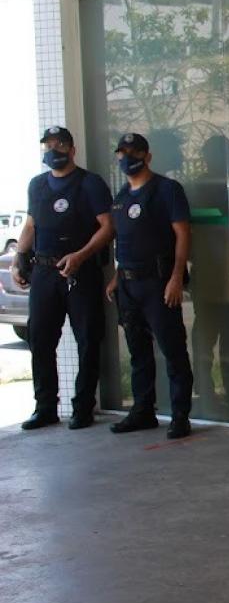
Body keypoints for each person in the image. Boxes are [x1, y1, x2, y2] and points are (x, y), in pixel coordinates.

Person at [11, 125, 114, 431]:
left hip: (80, 271)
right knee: (40, 339)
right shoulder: (38, 185)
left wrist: (81, 255)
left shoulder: (90, 184)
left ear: (72, 149)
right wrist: (19, 259)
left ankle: (83, 407)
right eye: (48, 146)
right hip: (44, 273)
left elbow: (108, 227)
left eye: (59, 145)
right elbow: (31, 225)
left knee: (87, 340)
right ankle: (45, 407)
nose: (53, 152)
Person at [106, 132, 195, 440]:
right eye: (122, 153)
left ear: (147, 156)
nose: (127, 158)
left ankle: (180, 415)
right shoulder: (121, 197)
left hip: (158, 283)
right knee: (137, 352)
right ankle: (143, 411)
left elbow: (182, 235)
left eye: (133, 152)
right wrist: (117, 278)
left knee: (172, 350)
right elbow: (124, 242)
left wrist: (175, 277)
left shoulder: (167, 190)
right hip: (129, 285)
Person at [187, 134, 229, 418]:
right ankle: (221, 400)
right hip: (215, 275)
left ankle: (225, 399)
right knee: (217, 343)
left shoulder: (227, 186)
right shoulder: (206, 187)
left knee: (225, 344)